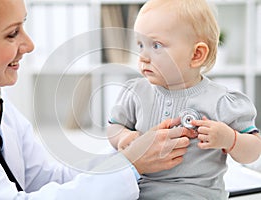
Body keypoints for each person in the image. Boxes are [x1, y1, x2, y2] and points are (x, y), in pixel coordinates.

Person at [0, 0, 192, 199]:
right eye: (12, 34)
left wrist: (127, 155)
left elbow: (51, 180)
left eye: (24, 26)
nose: (30, 45)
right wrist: (131, 164)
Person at [107, 0, 261, 199]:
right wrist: (123, 137)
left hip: (195, 194)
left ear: (196, 54)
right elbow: (114, 126)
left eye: (156, 45)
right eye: (140, 45)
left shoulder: (221, 101)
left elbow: (254, 150)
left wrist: (230, 139)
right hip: (137, 190)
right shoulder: (136, 92)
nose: (143, 56)